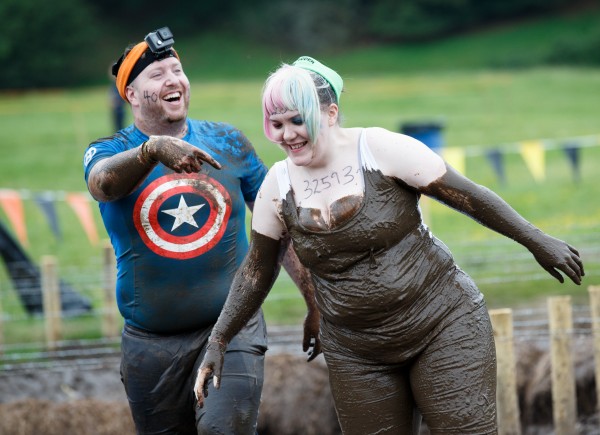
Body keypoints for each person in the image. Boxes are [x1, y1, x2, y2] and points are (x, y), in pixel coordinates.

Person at [194, 56, 585, 434]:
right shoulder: (277, 187)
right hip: (356, 349)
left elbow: (472, 198)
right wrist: (220, 339)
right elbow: (256, 271)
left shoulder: (381, 150)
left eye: (298, 120)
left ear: (329, 114)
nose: (288, 134)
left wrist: (537, 241)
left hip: (442, 322)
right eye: (276, 124)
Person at [82, 28, 320, 435]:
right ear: (132, 95)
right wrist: (151, 150)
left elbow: (278, 225)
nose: (173, 79)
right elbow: (102, 185)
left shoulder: (228, 142)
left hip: (232, 330)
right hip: (149, 348)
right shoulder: (110, 151)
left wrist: (314, 301)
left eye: (177, 69)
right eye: (157, 74)